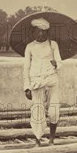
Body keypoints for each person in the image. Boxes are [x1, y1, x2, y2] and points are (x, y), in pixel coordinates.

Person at [23, 17, 63, 146]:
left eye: (43, 31)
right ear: (34, 32)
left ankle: (51, 140)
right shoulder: (30, 47)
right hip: (36, 81)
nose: (41, 34)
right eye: (38, 31)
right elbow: (26, 67)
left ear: (47, 32)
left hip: (51, 79)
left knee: (54, 110)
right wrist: (26, 87)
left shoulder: (53, 44)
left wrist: (55, 64)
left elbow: (60, 62)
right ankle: (37, 140)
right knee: (37, 111)